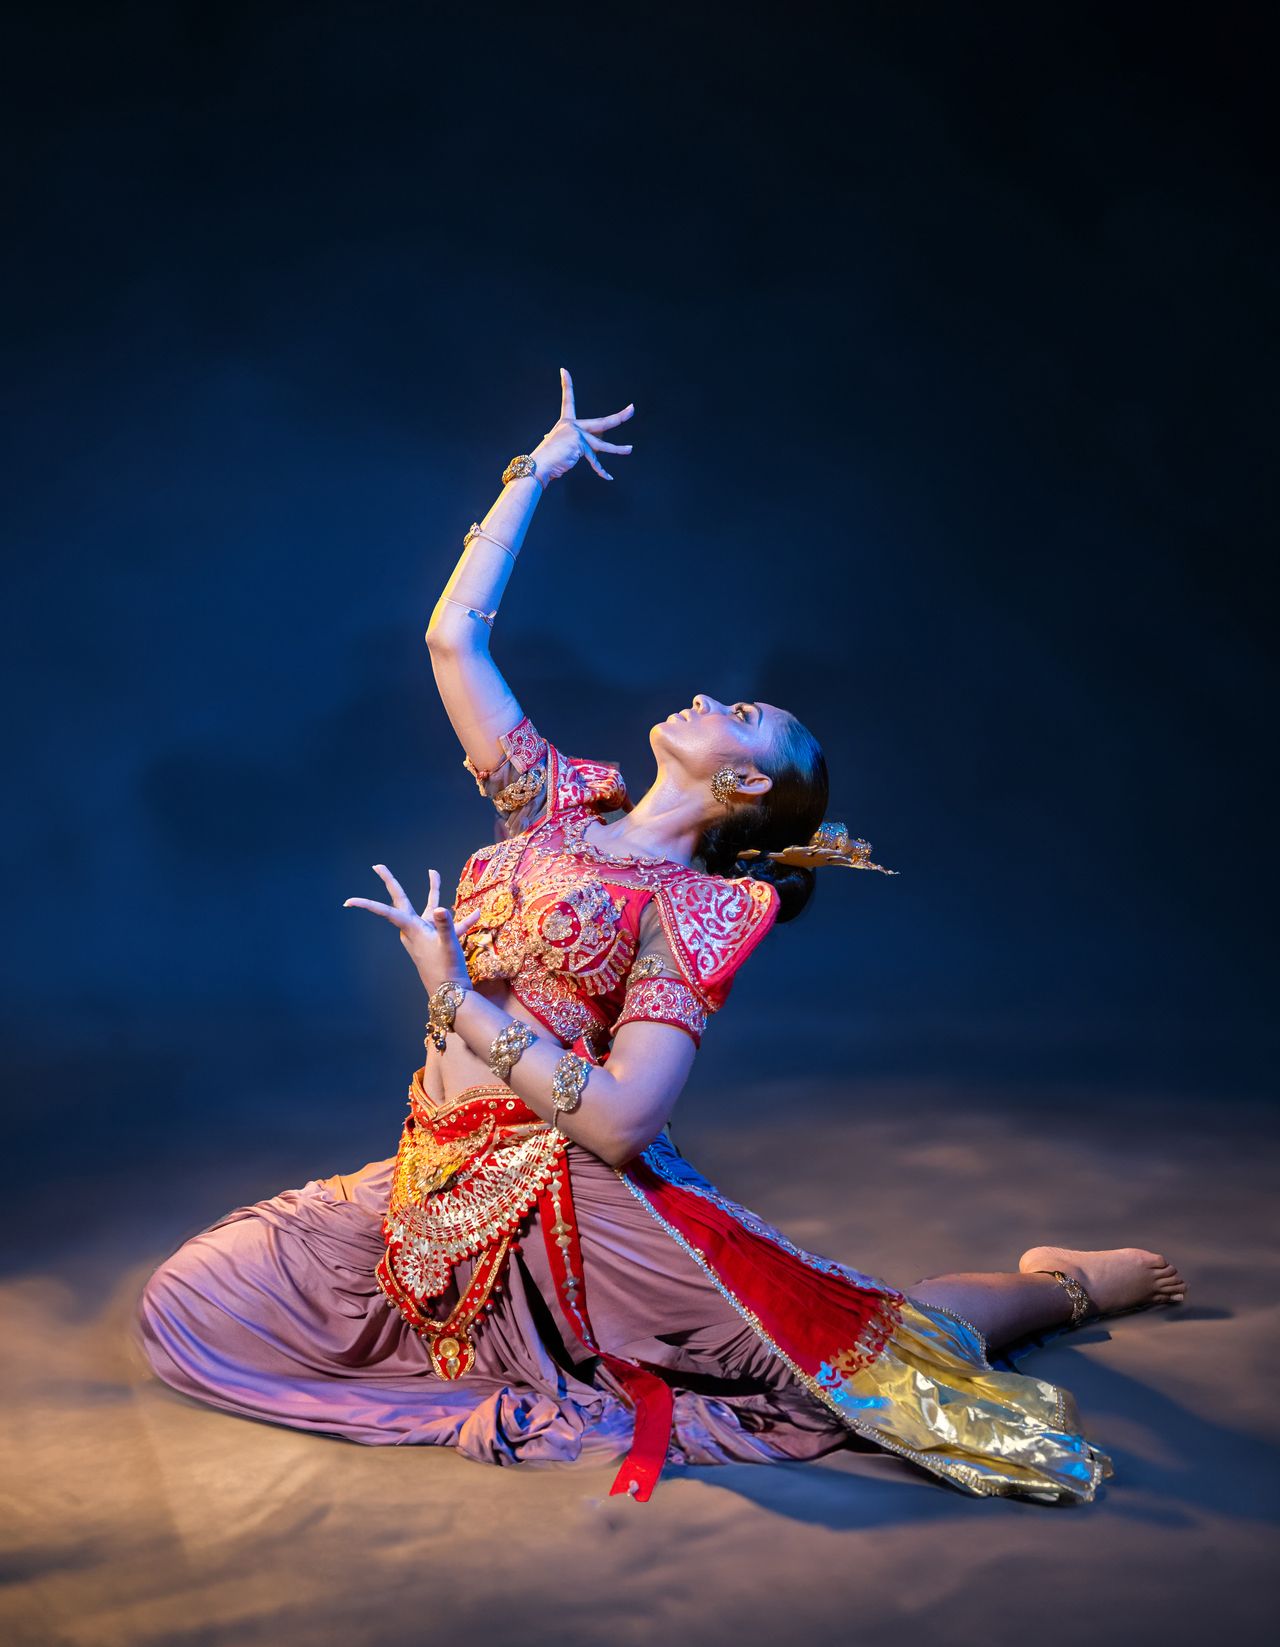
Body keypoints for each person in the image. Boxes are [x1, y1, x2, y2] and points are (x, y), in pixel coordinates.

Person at [136, 369, 1186, 1504]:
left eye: (741, 715)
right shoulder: (550, 800)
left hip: (571, 1201)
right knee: (191, 1305)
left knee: (861, 1351)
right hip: (434, 1172)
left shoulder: (695, 908)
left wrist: (458, 1001)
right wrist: (531, 477)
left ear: (742, 780)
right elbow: (453, 640)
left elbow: (629, 1118)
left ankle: (1066, 1287)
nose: (708, 697)